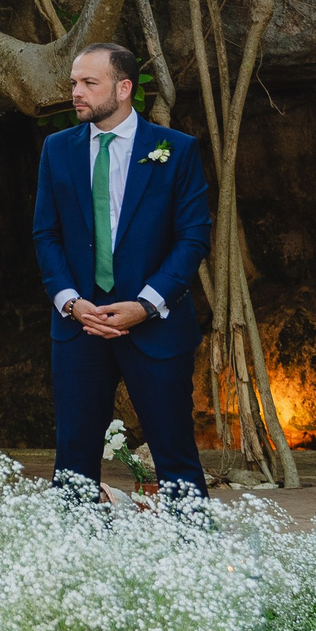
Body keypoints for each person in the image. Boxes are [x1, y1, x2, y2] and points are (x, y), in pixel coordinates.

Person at [33, 43, 212, 498]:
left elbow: (192, 238)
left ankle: (193, 561)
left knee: (174, 454)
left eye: (89, 83)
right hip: (79, 328)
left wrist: (147, 304)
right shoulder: (57, 150)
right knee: (73, 458)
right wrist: (70, 302)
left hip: (156, 327)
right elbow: (46, 234)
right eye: (74, 82)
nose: (77, 92)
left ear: (124, 87)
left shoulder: (176, 149)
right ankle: (76, 561)